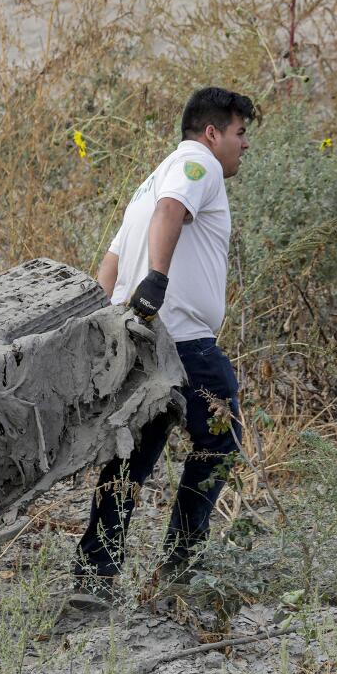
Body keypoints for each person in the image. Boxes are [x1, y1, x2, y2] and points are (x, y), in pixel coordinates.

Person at [74, 87, 255, 606]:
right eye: (240, 134)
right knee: (220, 443)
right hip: (185, 342)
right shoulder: (198, 167)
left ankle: (93, 579)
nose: (245, 145)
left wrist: (101, 317)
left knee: (132, 460)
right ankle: (182, 567)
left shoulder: (150, 181)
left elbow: (110, 260)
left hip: (143, 340)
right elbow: (172, 211)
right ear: (212, 133)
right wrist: (156, 279)